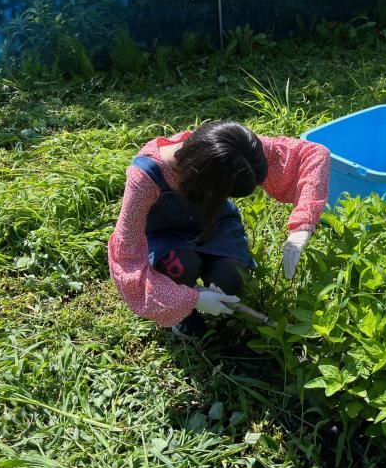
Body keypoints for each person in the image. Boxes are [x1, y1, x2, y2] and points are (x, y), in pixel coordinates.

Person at [108, 120, 330, 338]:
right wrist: (192, 299)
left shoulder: (234, 148)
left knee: (231, 277)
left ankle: (219, 300)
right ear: (204, 182)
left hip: (215, 223)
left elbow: (313, 154)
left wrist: (302, 226)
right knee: (181, 266)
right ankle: (184, 317)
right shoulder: (145, 178)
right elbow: (126, 260)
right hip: (167, 235)